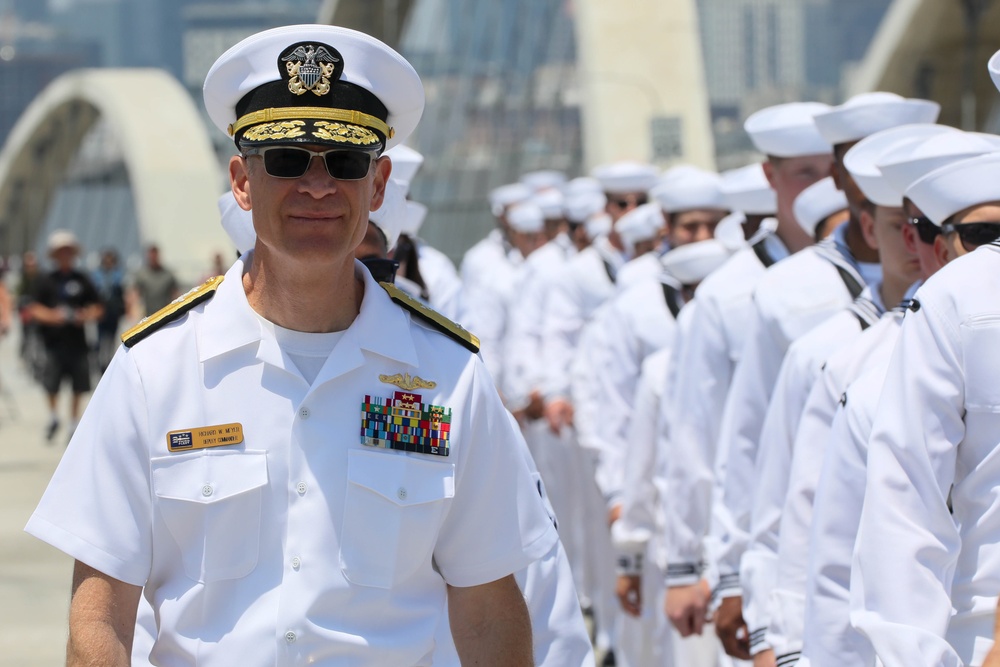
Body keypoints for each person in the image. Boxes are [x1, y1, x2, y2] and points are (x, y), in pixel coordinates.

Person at [25, 24, 555, 666]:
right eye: (285, 160)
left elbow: (490, 612)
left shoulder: (447, 375)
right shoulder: (155, 369)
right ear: (243, 182)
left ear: (378, 185)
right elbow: (100, 611)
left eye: (346, 163)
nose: (317, 185)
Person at [26, 230, 104, 442]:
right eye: (62, 251)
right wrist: (53, 316)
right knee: (51, 384)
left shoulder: (82, 278)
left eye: (68, 251)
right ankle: (53, 416)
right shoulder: (46, 279)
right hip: (53, 342)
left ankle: (72, 422)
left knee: (78, 385)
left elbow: (98, 306)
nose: (65, 255)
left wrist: (84, 315)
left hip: (77, 342)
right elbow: (34, 308)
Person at [91, 247, 127, 373]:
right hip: (101, 313)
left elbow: (120, 291)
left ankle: (109, 364)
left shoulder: (117, 274)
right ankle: (100, 364)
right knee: (100, 339)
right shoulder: (97, 275)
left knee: (111, 339)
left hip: (113, 312)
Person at [127, 243, 179, 318]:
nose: (153, 258)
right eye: (151, 256)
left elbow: (175, 294)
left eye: (155, 255)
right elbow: (134, 294)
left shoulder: (167, 275)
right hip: (147, 315)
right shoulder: (142, 275)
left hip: (165, 313)